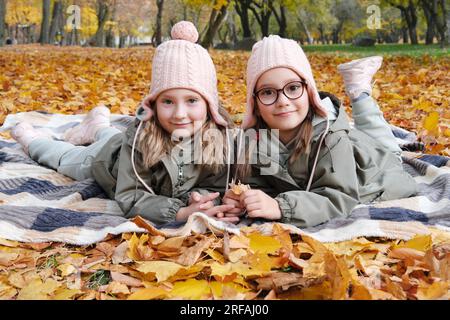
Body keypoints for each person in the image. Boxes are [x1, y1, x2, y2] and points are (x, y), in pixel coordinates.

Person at [10, 21, 236, 226]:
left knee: (111, 136)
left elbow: (215, 185)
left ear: (209, 106)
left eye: (192, 101)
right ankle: (33, 140)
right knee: (65, 157)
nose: (179, 113)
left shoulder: (216, 139)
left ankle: (97, 126)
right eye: (167, 101)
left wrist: (198, 198)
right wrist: (179, 212)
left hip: (117, 142)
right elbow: (131, 196)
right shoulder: (140, 138)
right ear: (153, 104)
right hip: (105, 161)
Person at [220, 35, 417, 228]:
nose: (283, 101)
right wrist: (243, 200)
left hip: (372, 167)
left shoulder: (331, 139)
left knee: (386, 147)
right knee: (359, 134)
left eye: (293, 88)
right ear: (254, 103)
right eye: (268, 92)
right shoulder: (253, 141)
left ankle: (359, 93)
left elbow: (339, 197)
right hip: (349, 142)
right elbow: (262, 185)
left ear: (309, 91)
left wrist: (282, 206)